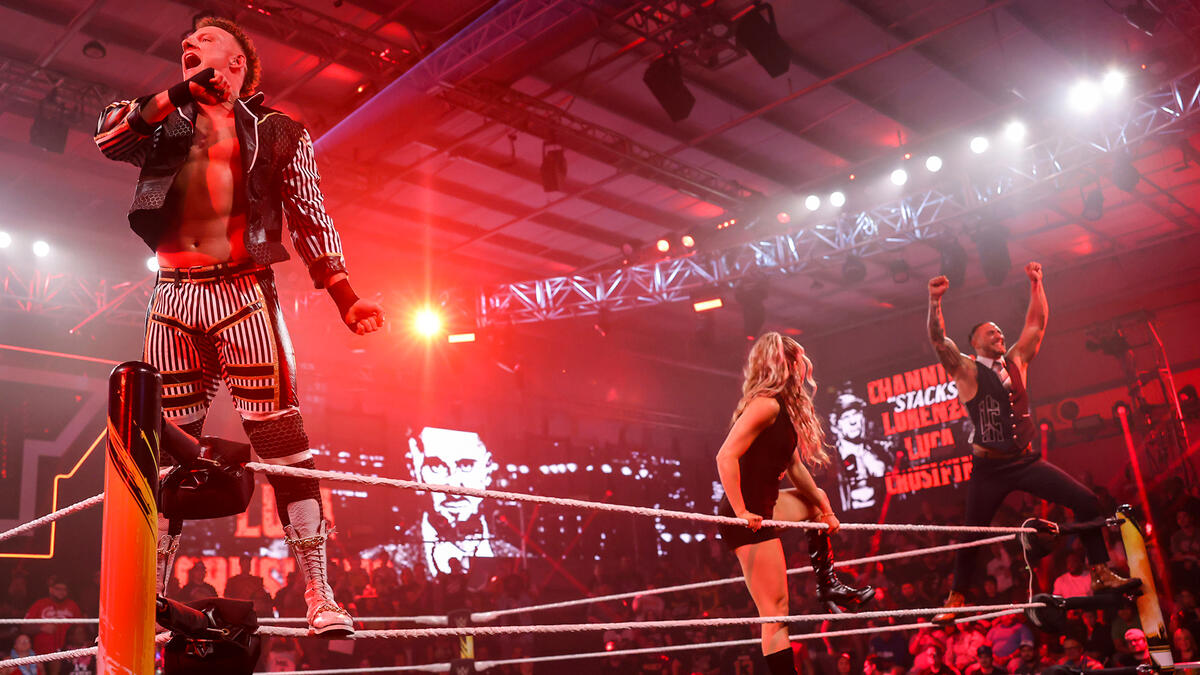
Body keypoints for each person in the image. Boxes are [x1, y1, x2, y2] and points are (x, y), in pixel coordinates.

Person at [93, 15, 383, 636]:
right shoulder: (163, 119)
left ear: (236, 63)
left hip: (244, 292)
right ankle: (149, 595)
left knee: (284, 444)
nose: (188, 43)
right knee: (165, 453)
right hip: (172, 296)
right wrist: (179, 93)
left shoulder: (278, 131)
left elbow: (309, 215)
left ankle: (319, 594)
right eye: (186, 42)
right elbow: (108, 137)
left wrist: (345, 296)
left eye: (206, 40)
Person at [926, 263, 1137, 621]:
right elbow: (938, 340)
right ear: (975, 342)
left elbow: (1036, 324)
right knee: (971, 533)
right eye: (990, 331)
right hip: (989, 469)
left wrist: (1037, 284)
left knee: (1087, 501)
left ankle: (1100, 571)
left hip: (1024, 461)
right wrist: (935, 302)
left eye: (999, 330)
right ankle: (956, 597)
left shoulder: (1017, 360)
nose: (998, 333)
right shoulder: (966, 369)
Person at [715, 333, 874, 675]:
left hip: (766, 505)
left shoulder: (780, 408)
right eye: (799, 361)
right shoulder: (766, 405)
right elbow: (725, 456)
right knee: (775, 612)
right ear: (786, 365)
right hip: (748, 515)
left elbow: (795, 467)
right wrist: (741, 512)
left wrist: (825, 507)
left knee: (814, 502)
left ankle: (828, 585)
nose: (805, 368)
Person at [22, 578, 82, 660]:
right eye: (58, 589)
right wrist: (41, 628)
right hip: (40, 653)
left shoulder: (72, 605)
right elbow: (24, 627)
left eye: (64, 589)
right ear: (51, 590)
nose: (61, 592)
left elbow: (80, 628)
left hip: (66, 653)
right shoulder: (40, 604)